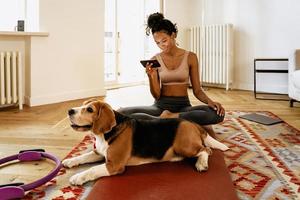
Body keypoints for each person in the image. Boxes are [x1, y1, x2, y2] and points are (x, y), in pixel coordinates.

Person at [118, 12, 225, 134]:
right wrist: (151, 77)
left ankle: (166, 119)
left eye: (164, 40)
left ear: (173, 35)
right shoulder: (155, 59)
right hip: (160, 107)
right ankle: (165, 120)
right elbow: (156, 95)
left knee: (216, 114)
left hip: (183, 107)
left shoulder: (190, 57)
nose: (161, 45)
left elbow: (197, 90)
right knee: (122, 113)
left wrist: (210, 101)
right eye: (157, 43)